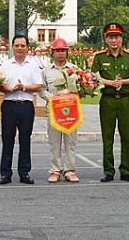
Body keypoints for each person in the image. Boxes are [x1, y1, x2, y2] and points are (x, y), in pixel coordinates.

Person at [91, 23, 129, 182]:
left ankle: (125, 170)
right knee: (108, 137)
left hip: (126, 100)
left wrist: (123, 82)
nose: (114, 41)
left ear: (121, 38)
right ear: (106, 39)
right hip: (108, 100)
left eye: (117, 37)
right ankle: (108, 171)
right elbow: (93, 78)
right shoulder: (99, 57)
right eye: (111, 37)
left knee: (126, 136)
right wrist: (110, 83)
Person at [0, 34, 43, 185]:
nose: (19, 48)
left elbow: (38, 86)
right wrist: (9, 89)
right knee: (7, 140)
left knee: (25, 140)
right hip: (9, 105)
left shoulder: (33, 65)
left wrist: (23, 87)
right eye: (17, 45)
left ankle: (24, 172)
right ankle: (5, 173)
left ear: (27, 48)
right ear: (12, 47)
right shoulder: (5, 65)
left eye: (23, 46)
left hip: (26, 106)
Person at [40, 37, 82, 183]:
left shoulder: (74, 70)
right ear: (52, 52)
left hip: (71, 112)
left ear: (67, 52)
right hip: (53, 112)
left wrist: (74, 93)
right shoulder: (46, 71)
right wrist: (52, 98)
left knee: (70, 142)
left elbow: (82, 88)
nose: (60, 53)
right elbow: (42, 90)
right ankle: (55, 170)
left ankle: (70, 170)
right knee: (54, 143)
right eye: (57, 51)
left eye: (63, 50)